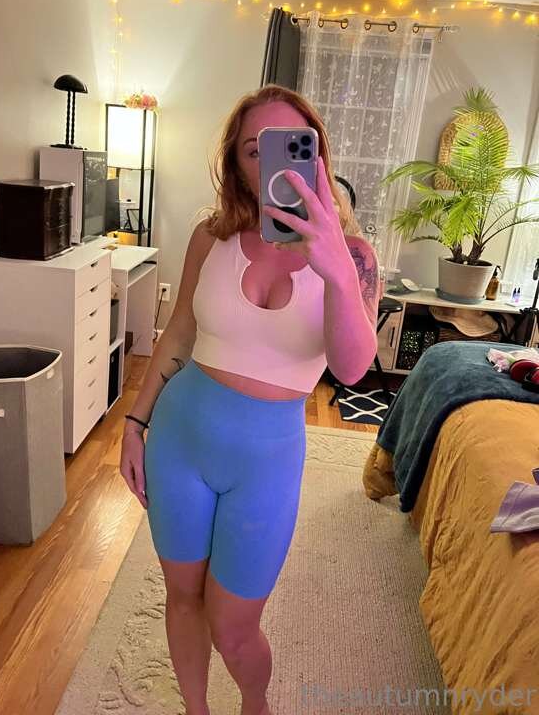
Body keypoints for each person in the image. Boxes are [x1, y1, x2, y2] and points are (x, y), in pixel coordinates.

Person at [120, 83, 380, 715]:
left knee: (234, 627)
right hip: (180, 438)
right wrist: (134, 421)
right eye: (253, 150)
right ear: (237, 166)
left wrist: (334, 267)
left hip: (267, 460)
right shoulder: (210, 238)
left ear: (316, 154)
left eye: (288, 144)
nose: (271, 164)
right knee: (182, 598)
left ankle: (254, 705)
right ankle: (196, 709)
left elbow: (351, 369)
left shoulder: (354, 257)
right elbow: (179, 330)